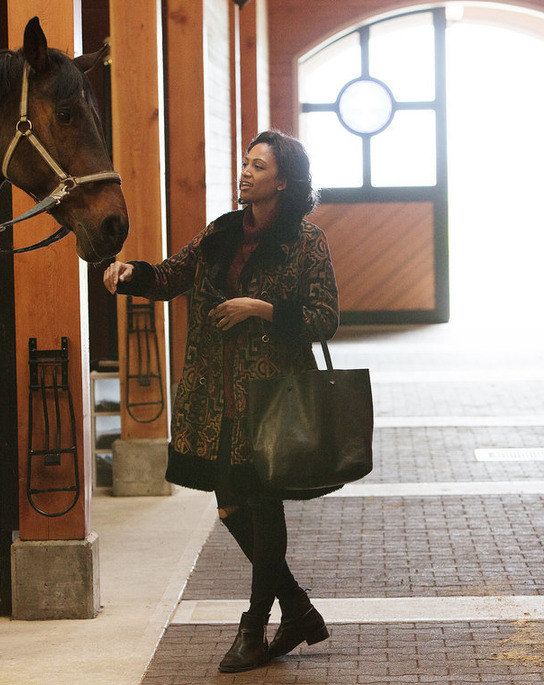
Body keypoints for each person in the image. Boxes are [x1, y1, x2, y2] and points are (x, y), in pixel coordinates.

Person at [104, 130, 338, 673]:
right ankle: (297, 609)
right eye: (246, 164)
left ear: (283, 181)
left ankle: (254, 628)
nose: (246, 172)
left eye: (258, 166)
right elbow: (170, 276)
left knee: (263, 502)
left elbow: (324, 317)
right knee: (231, 504)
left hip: (270, 398)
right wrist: (130, 272)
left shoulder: (307, 242)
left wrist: (262, 309)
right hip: (215, 398)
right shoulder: (221, 232)